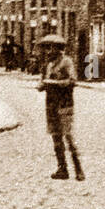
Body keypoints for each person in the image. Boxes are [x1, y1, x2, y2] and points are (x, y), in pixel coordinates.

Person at [39, 34, 83, 180]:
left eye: (50, 48)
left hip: (64, 104)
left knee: (68, 136)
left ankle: (78, 169)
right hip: (50, 105)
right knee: (56, 138)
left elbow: (73, 80)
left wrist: (57, 83)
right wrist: (41, 85)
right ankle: (62, 168)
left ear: (58, 49)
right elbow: (42, 83)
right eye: (46, 48)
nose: (47, 51)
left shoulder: (66, 62)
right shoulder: (47, 65)